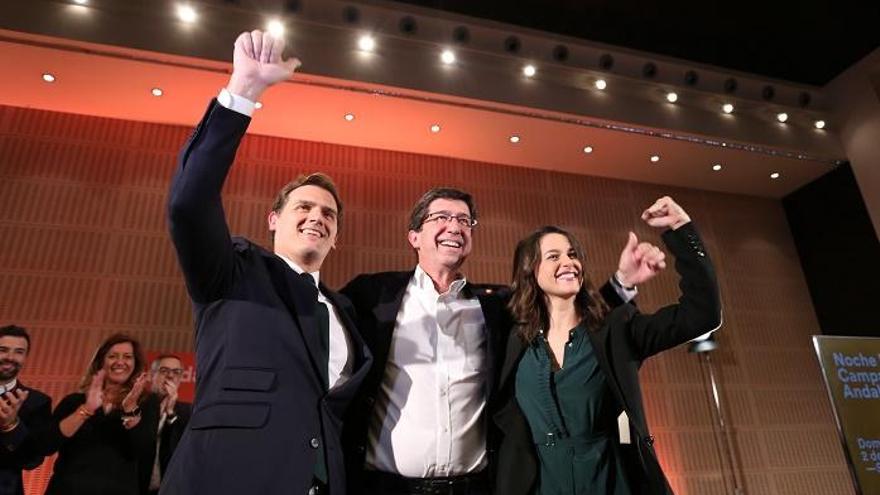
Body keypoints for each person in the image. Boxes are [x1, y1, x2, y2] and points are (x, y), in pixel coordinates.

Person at [341, 187, 667, 495]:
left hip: (478, 487)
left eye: (464, 220)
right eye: (441, 217)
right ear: (414, 236)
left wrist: (622, 283)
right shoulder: (371, 296)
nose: (454, 226)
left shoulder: (498, 307)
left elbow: (566, 314)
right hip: (385, 487)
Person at [162, 29, 372, 495]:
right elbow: (187, 203)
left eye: (329, 214)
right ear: (273, 219)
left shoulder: (346, 313)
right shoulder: (232, 272)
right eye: (304, 207)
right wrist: (244, 91)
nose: (317, 217)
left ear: (336, 237)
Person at [493, 196, 722, 495]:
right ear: (530, 271)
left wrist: (680, 228)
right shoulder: (515, 341)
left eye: (572, 254)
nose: (568, 262)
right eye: (553, 256)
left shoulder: (615, 330)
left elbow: (702, 313)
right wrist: (621, 281)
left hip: (613, 484)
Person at [46, 333, 151, 495]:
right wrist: (86, 409)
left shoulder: (147, 404)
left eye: (128, 357)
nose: (120, 362)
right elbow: (47, 445)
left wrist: (130, 409)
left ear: (135, 364)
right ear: (101, 362)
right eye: (112, 356)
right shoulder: (73, 402)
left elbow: (145, 453)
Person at [0, 325, 53, 495]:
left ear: (25, 357)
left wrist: (12, 426)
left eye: (18, 352)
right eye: (3, 350)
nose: (10, 357)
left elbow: (32, 461)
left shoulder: (37, 402)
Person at [139, 355, 191, 495]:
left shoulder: (188, 412)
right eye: (164, 371)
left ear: (181, 378)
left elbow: (183, 449)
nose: (170, 376)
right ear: (151, 376)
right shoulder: (137, 406)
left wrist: (170, 413)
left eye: (176, 372)